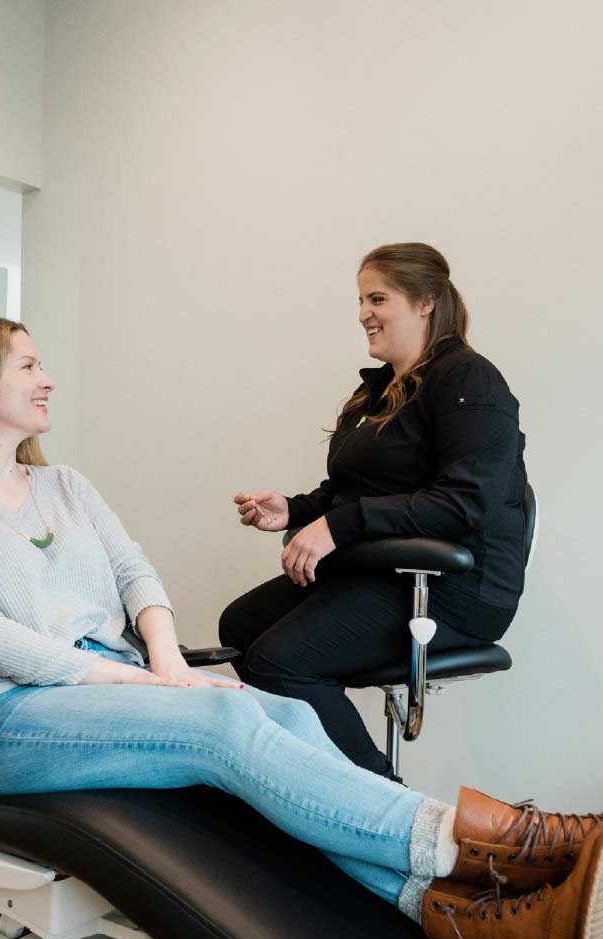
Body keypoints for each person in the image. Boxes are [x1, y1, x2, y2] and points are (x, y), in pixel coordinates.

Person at [0, 310, 603, 939]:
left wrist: (168, 662)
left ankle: (478, 927)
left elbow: (134, 575)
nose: (46, 377)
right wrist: (140, 680)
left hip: (106, 684)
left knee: (281, 711)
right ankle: (505, 845)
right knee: (221, 718)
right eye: (26, 365)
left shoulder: (66, 486)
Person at [221, 243, 527, 781]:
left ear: (426, 301)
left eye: (378, 298)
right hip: (383, 570)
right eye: (362, 299)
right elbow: (354, 489)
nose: (364, 312)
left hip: (453, 588)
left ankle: (388, 811)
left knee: (281, 661)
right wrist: (293, 510)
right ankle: (303, 787)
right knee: (240, 626)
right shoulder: (381, 392)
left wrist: (338, 526)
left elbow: (464, 502)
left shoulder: (468, 380)